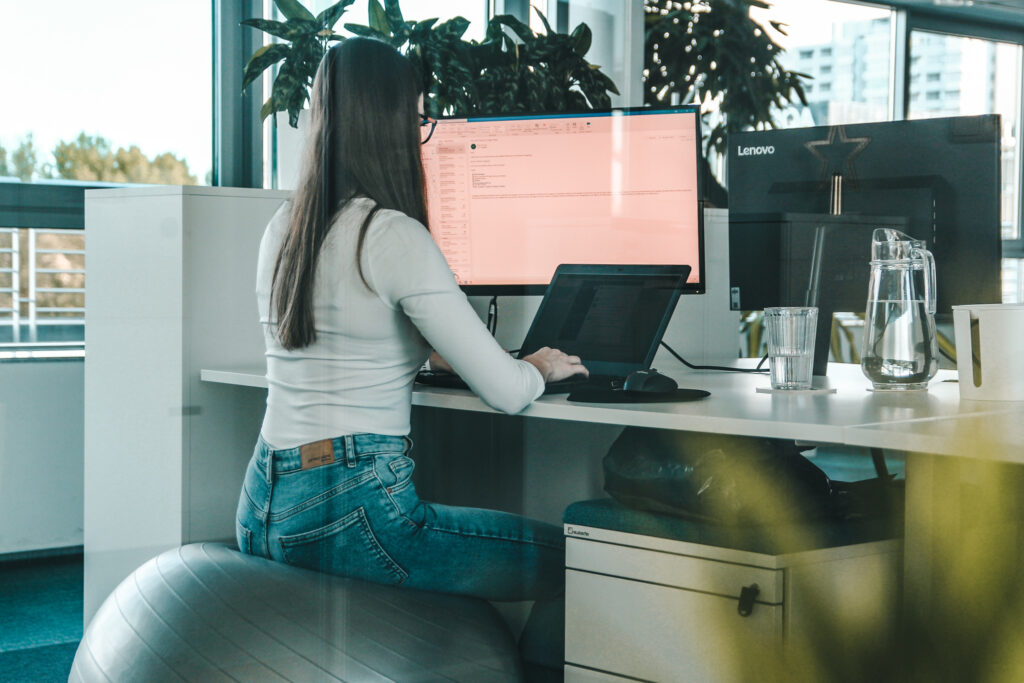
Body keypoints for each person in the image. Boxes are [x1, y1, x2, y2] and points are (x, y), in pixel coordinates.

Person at [235, 37, 587, 678]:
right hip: (354, 511)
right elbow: (508, 393)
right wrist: (535, 365)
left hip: (264, 499)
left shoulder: (285, 226)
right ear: (392, 123)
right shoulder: (390, 233)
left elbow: (349, 332)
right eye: (419, 117)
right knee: (580, 562)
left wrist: (443, 350)